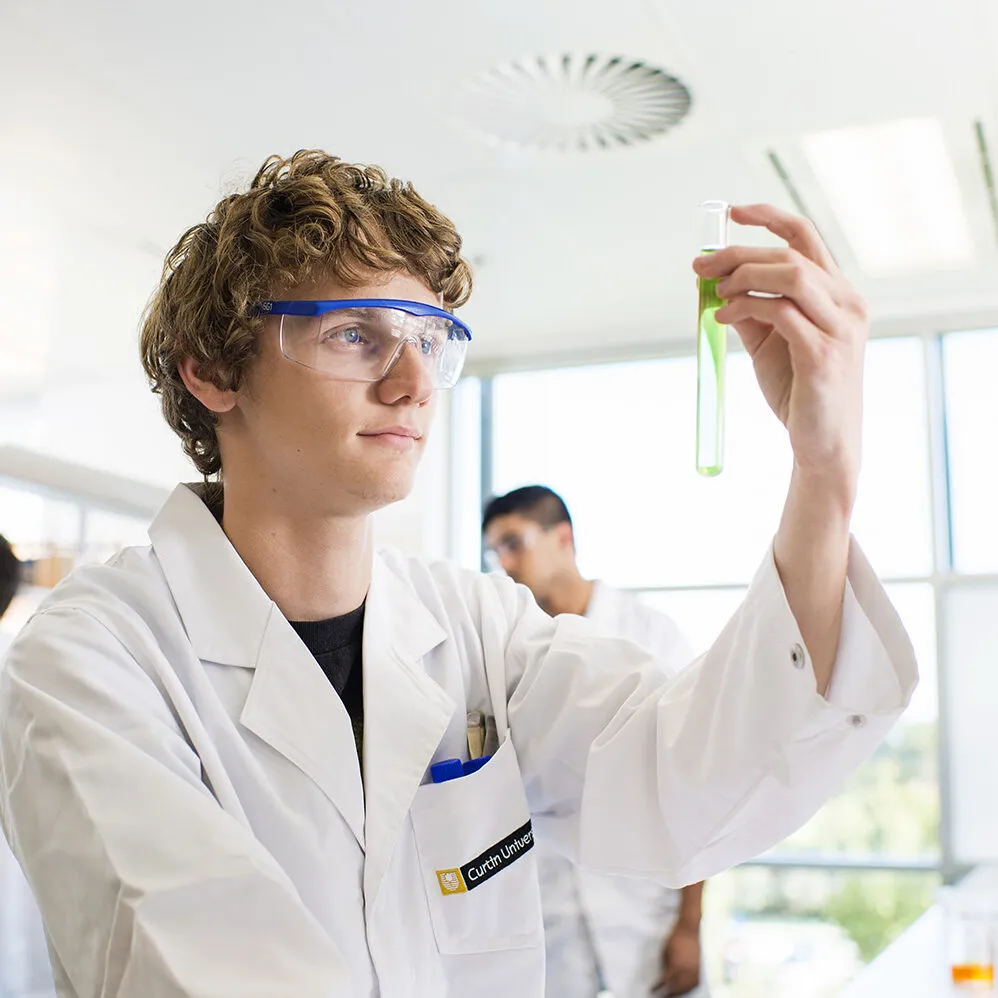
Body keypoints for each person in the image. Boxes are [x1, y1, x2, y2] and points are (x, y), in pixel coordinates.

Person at [0, 150, 916, 998]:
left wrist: (823, 473)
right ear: (211, 371)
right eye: (355, 334)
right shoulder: (90, 663)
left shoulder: (480, 629)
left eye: (430, 337)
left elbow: (691, 790)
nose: (414, 383)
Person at [482, 486, 706, 997]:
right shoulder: (504, 650)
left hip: (646, 915)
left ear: (563, 537)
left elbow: (696, 788)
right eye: (494, 550)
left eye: (514, 542)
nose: (504, 562)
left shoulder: (650, 635)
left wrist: (690, 925)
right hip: (550, 920)